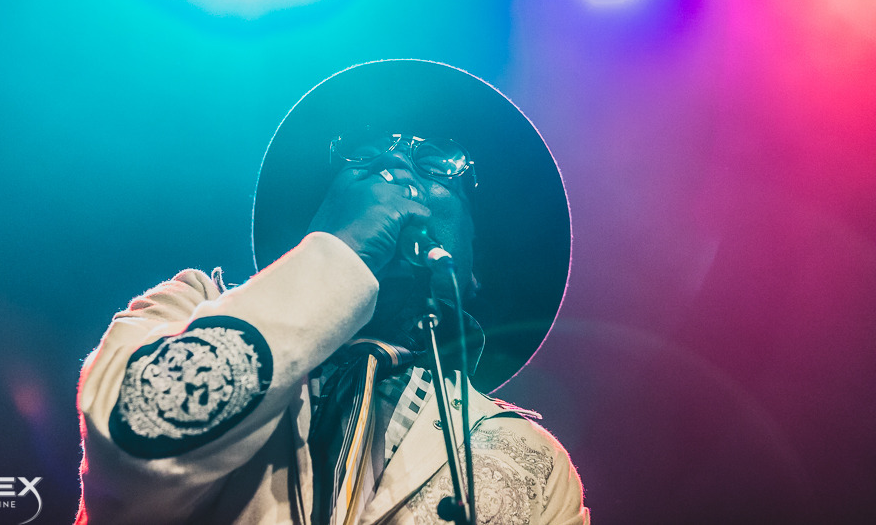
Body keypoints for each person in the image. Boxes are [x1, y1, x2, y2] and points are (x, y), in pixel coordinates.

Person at [75, 60, 589, 524]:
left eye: (438, 163)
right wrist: (343, 250)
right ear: (314, 231)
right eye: (364, 157)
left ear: (477, 267)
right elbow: (138, 444)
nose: (399, 169)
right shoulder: (185, 307)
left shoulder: (531, 461)